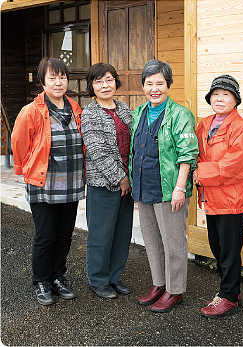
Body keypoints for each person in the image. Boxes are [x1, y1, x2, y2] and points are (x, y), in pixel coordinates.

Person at [11, 57, 85, 305]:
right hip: (43, 183)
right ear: (42, 81)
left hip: (72, 182)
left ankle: (57, 277)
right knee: (46, 235)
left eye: (62, 77)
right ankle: (41, 280)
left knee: (65, 235)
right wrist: (24, 171)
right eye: (52, 77)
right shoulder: (31, 111)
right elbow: (19, 143)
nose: (58, 82)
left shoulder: (75, 107)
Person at [129, 59, 199, 313]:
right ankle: (159, 283)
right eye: (149, 84)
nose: (154, 89)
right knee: (151, 240)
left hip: (170, 190)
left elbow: (188, 155)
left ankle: (175, 289)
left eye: (160, 83)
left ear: (168, 84)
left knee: (173, 242)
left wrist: (180, 188)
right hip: (143, 186)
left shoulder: (180, 114)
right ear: (143, 86)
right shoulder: (138, 113)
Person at [193, 75, 243, 318]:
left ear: (235, 100)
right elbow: (196, 153)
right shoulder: (205, 123)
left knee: (230, 251)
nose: (219, 99)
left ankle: (229, 297)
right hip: (213, 199)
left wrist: (199, 173)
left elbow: (235, 165)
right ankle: (231, 290)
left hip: (232, 201)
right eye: (216, 94)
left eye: (226, 95)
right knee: (218, 247)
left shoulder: (239, 128)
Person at [81, 63, 134, 299]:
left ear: (116, 82)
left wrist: (130, 178)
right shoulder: (90, 113)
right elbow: (96, 150)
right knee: (100, 234)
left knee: (122, 233)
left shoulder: (124, 109)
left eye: (109, 79)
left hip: (128, 183)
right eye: (99, 81)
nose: (105, 85)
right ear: (92, 86)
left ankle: (114, 276)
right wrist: (120, 178)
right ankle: (98, 279)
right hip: (103, 184)